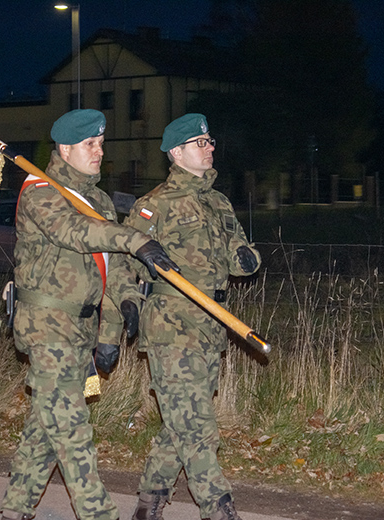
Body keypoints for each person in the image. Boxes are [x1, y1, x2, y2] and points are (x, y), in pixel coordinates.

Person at [0, 109, 178, 520]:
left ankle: (15, 508)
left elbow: (109, 264)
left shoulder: (96, 199)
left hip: (80, 328)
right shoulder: (41, 191)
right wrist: (136, 240)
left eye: (101, 143)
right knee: (73, 430)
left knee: (49, 425)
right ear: (65, 149)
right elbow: (75, 234)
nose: (100, 151)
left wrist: (123, 307)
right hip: (46, 327)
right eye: (90, 144)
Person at [124, 114, 261, 520]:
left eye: (209, 140)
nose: (209, 148)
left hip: (212, 324)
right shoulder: (154, 205)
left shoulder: (218, 202)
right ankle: (219, 508)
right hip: (171, 324)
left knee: (182, 421)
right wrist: (130, 301)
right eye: (199, 143)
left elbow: (241, 257)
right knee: (198, 428)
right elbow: (126, 262)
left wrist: (247, 258)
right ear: (176, 153)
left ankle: (149, 502)